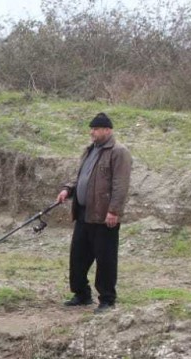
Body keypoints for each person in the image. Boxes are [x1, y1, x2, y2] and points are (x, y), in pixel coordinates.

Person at [56, 112, 132, 312]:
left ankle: (107, 300)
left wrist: (114, 211)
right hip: (83, 213)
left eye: (96, 129)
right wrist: (68, 189)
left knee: (105, 260)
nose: (92, 132)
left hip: (104, 216)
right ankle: (82, 294)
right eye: (91, 129)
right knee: (78, 257)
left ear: (108, 130)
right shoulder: (90, 150)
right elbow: (82, 177)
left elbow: (120, 185)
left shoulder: (119, 152)